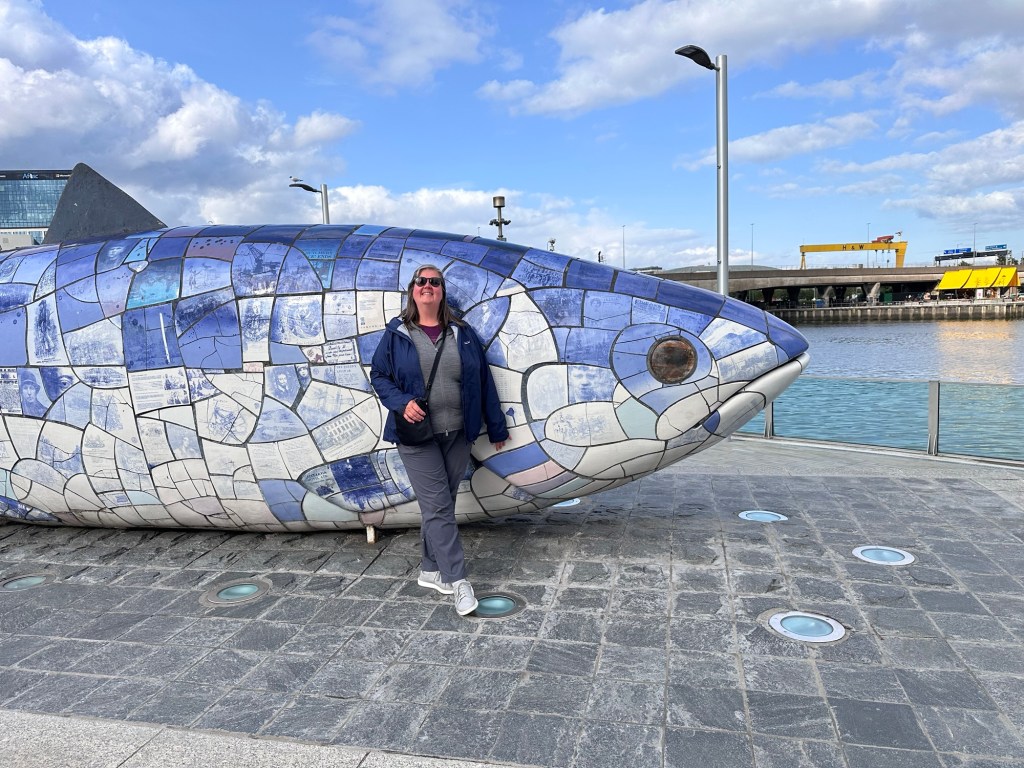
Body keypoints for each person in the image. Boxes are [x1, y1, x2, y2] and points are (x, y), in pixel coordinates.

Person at [371, 265, 509, 617]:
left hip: (459, 433)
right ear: (413, 290)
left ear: (442, 291)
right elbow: (379, 376)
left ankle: (430, 570)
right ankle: (458, 580)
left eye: (435, 282)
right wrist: (402, 402)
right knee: (438, 507)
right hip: (417, 436)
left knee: (440, 504)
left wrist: (496, 428)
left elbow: (482, 381)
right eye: (422, 281)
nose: (428, 286)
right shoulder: (397, 333)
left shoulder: (462, 332)